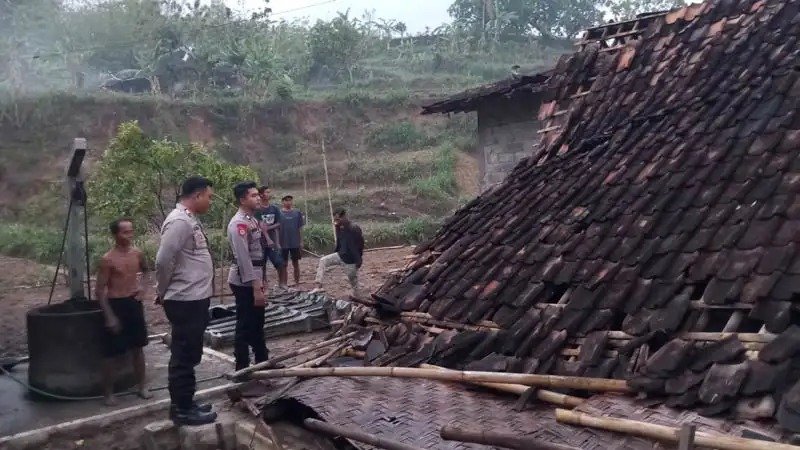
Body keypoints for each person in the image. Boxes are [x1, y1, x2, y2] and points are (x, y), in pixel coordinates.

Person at [155, 176, 217, 426]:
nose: (210, 201)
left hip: (194, 298)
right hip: (185, 299)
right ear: (197, 195)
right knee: (183, 356)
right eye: (209, 197)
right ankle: (182, 410)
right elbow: (162, 260)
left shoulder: (189, 219)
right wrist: (162, 290)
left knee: (190, 354)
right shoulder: (179, 222)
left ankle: (187, 402)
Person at [95, 218, 151, 406]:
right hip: (115, 304)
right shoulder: (108, 259)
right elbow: (99, 290)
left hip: (133, 303)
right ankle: (108, 393)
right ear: (115, 235)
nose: (129, 235)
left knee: (138, 347)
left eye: (131, 231)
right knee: (112, 353)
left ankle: (142, 386)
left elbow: (146, 271)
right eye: (125, 232)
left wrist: (142, 288)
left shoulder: (137, 253)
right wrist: (109, 316)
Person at [227, 181, 269, 372]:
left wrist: (262, 281)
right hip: (244, 281)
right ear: (242, 200)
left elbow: (259, 254)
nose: (258, 198)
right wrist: (255, 286)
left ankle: (262, 361)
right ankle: (242, 366)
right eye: (253, 195)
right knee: (245, 323)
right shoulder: (239, 224)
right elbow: (244, 258)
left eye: (258, 194)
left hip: (255, 276)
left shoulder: (252, 220)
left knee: (258, 322)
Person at [312, 209, 364, 297]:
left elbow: (360, 244)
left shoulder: (354, 228)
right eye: (335, 219)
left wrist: (359, 259)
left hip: (351, 260)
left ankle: (358, 298)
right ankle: (318, 286)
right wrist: (335, 251)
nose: (336, 221)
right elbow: (339, 242)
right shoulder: (339, 227)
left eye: (338, 219)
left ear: (344, 217)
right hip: (340, 255)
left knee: (354, 284)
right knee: (323, 260)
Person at [254, 186, 284, 288]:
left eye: (269, 192)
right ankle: (264, 283)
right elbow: (259, 225)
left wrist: (269, 228)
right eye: (267, 192)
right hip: (260, 241)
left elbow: (279, 223)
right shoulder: (257, 209)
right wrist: (267, 236)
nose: (269, 194)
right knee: (262, 263)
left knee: (279, 262)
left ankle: (282, 283)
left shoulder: (274, 208)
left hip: (273, 240)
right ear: (261, 194)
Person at [278, 195, 305, 287]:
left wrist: (301, 241)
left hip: (295, 242)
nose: (289, 202)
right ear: (283, 202)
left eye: (290, 200)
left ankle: (297, 283)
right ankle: (284, 284)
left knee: (296, 263)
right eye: (286, 200)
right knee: (283, 264)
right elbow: (276, 228)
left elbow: (300, 228)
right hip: (283, 243)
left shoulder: (297, 213)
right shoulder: (279, 213)